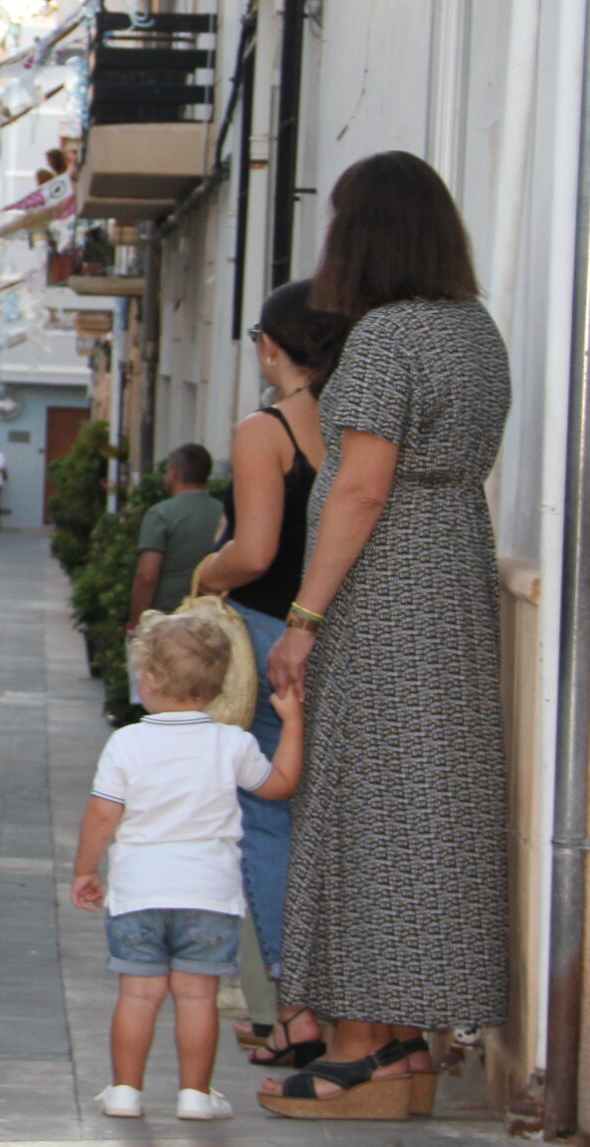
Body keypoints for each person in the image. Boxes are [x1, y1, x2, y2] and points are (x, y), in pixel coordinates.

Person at [260, 151, 506, 1117]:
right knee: (431, 811)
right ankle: (410, 1045)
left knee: (362, 803)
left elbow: (361, 486)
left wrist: (306, 618)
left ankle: (361, 1045)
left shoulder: (387, 338)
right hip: (451, 579)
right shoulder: (473, 331)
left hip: (385, 587)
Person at [192, 279, 347, 1071]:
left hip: (266, 631)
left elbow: (254, 552)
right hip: (346, 633)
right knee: (334, 818)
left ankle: (294, 1005)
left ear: (271, 344)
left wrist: (203, 571)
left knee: (267, 812)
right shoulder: (361, 421)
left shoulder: (268, 429)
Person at [76, 612, 305, 1123]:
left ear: (150, 680)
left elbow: (103, 814)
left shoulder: (127, 743)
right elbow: (282, 783)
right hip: (208, 896)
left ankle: (124, 1091)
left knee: (138, 995)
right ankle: (196, 1095)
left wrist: (85, 869)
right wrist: (291, 721)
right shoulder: (232, 744)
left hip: (139, 893)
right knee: (197, 998)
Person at [130, 445, 222, 622]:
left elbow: (147, 576)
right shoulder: (223, 513)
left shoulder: (161, 514)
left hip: (168, 619)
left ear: (173, 473)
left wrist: (136, 623)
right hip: (211, 618)